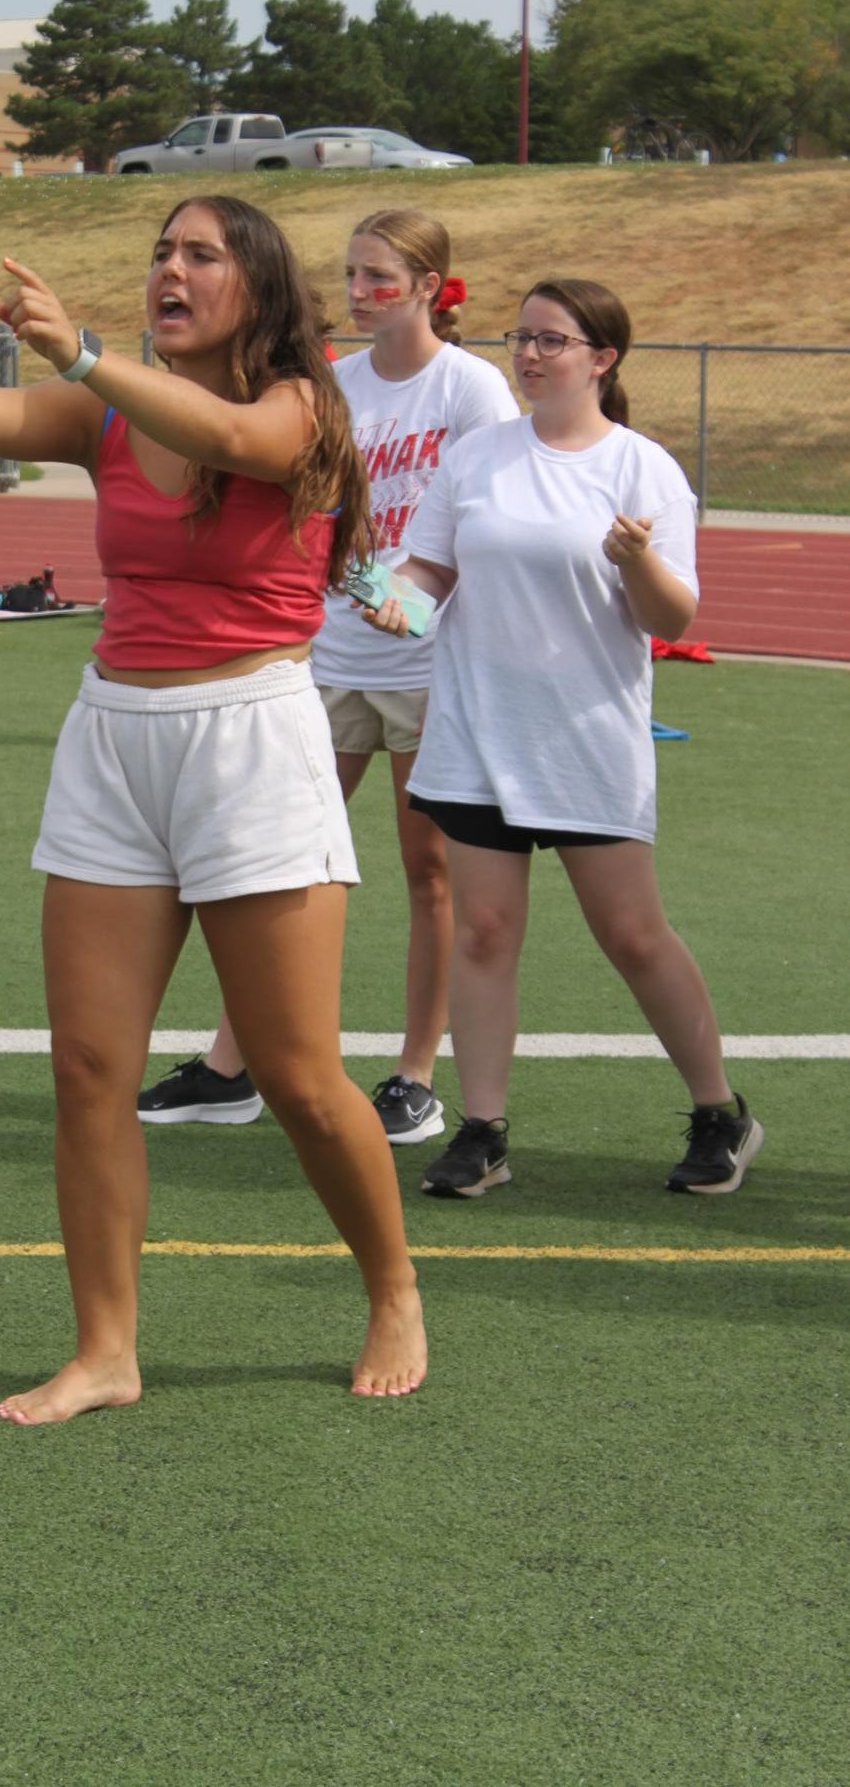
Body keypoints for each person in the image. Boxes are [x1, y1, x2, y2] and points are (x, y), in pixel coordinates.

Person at [0, 196, 427, 1423]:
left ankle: (394, 1285)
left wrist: (85, 352)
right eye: (159, 254)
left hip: (252, 737)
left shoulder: (301, 407)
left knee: (300, 1077)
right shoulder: (106, 410)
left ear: (254, 285)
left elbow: (238, 444)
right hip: (112, 740)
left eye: (198, 255)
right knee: (90, 1065)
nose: (170, 271)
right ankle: (105, 1351)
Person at [365, 277, 763, 1198]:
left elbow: (671, 614)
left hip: (584, 739)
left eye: (552, 339)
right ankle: (483, 1131)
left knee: (632, 933)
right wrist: (388, 602)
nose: (531, 354)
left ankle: (719, 1112)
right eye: (522, 337)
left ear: (601, 356)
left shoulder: (642, 468)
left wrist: (639, 561)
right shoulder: (477, 457)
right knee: (485, 932)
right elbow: (427, 573)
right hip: (474, 734)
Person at [137, 209, 517, 1145]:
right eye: (351, 275)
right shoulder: (331, 385)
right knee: (273, 856)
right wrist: (352, 586)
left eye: (381, 277)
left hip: (430, 663)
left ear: (431, 285)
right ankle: (233, 1064)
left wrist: (412, 601)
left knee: (427, 866)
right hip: (332, 653)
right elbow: (321, 512)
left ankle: (414, 1073)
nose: (360, 292)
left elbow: (488, 517)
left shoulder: (470, 388)